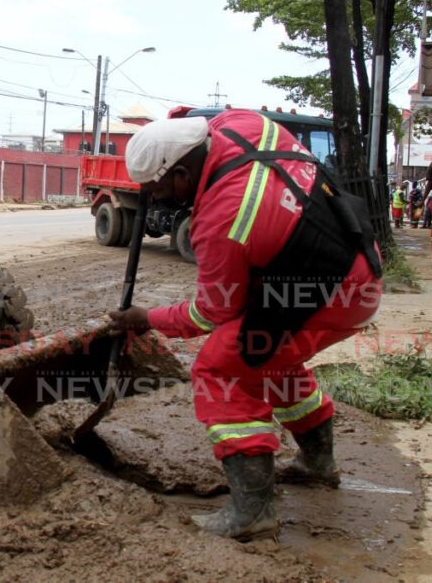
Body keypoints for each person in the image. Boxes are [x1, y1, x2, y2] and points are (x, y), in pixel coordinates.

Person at [111, 110, 383, 540]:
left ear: (182, 172)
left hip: (327, 295)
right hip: (356, 263)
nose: (159, 199)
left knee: (221, 367)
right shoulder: (244, 124)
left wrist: (148, 318)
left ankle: (253, 511)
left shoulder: (221, 221)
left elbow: (209, 314)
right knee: (269, 357)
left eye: (159, 190)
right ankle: (317, 462)